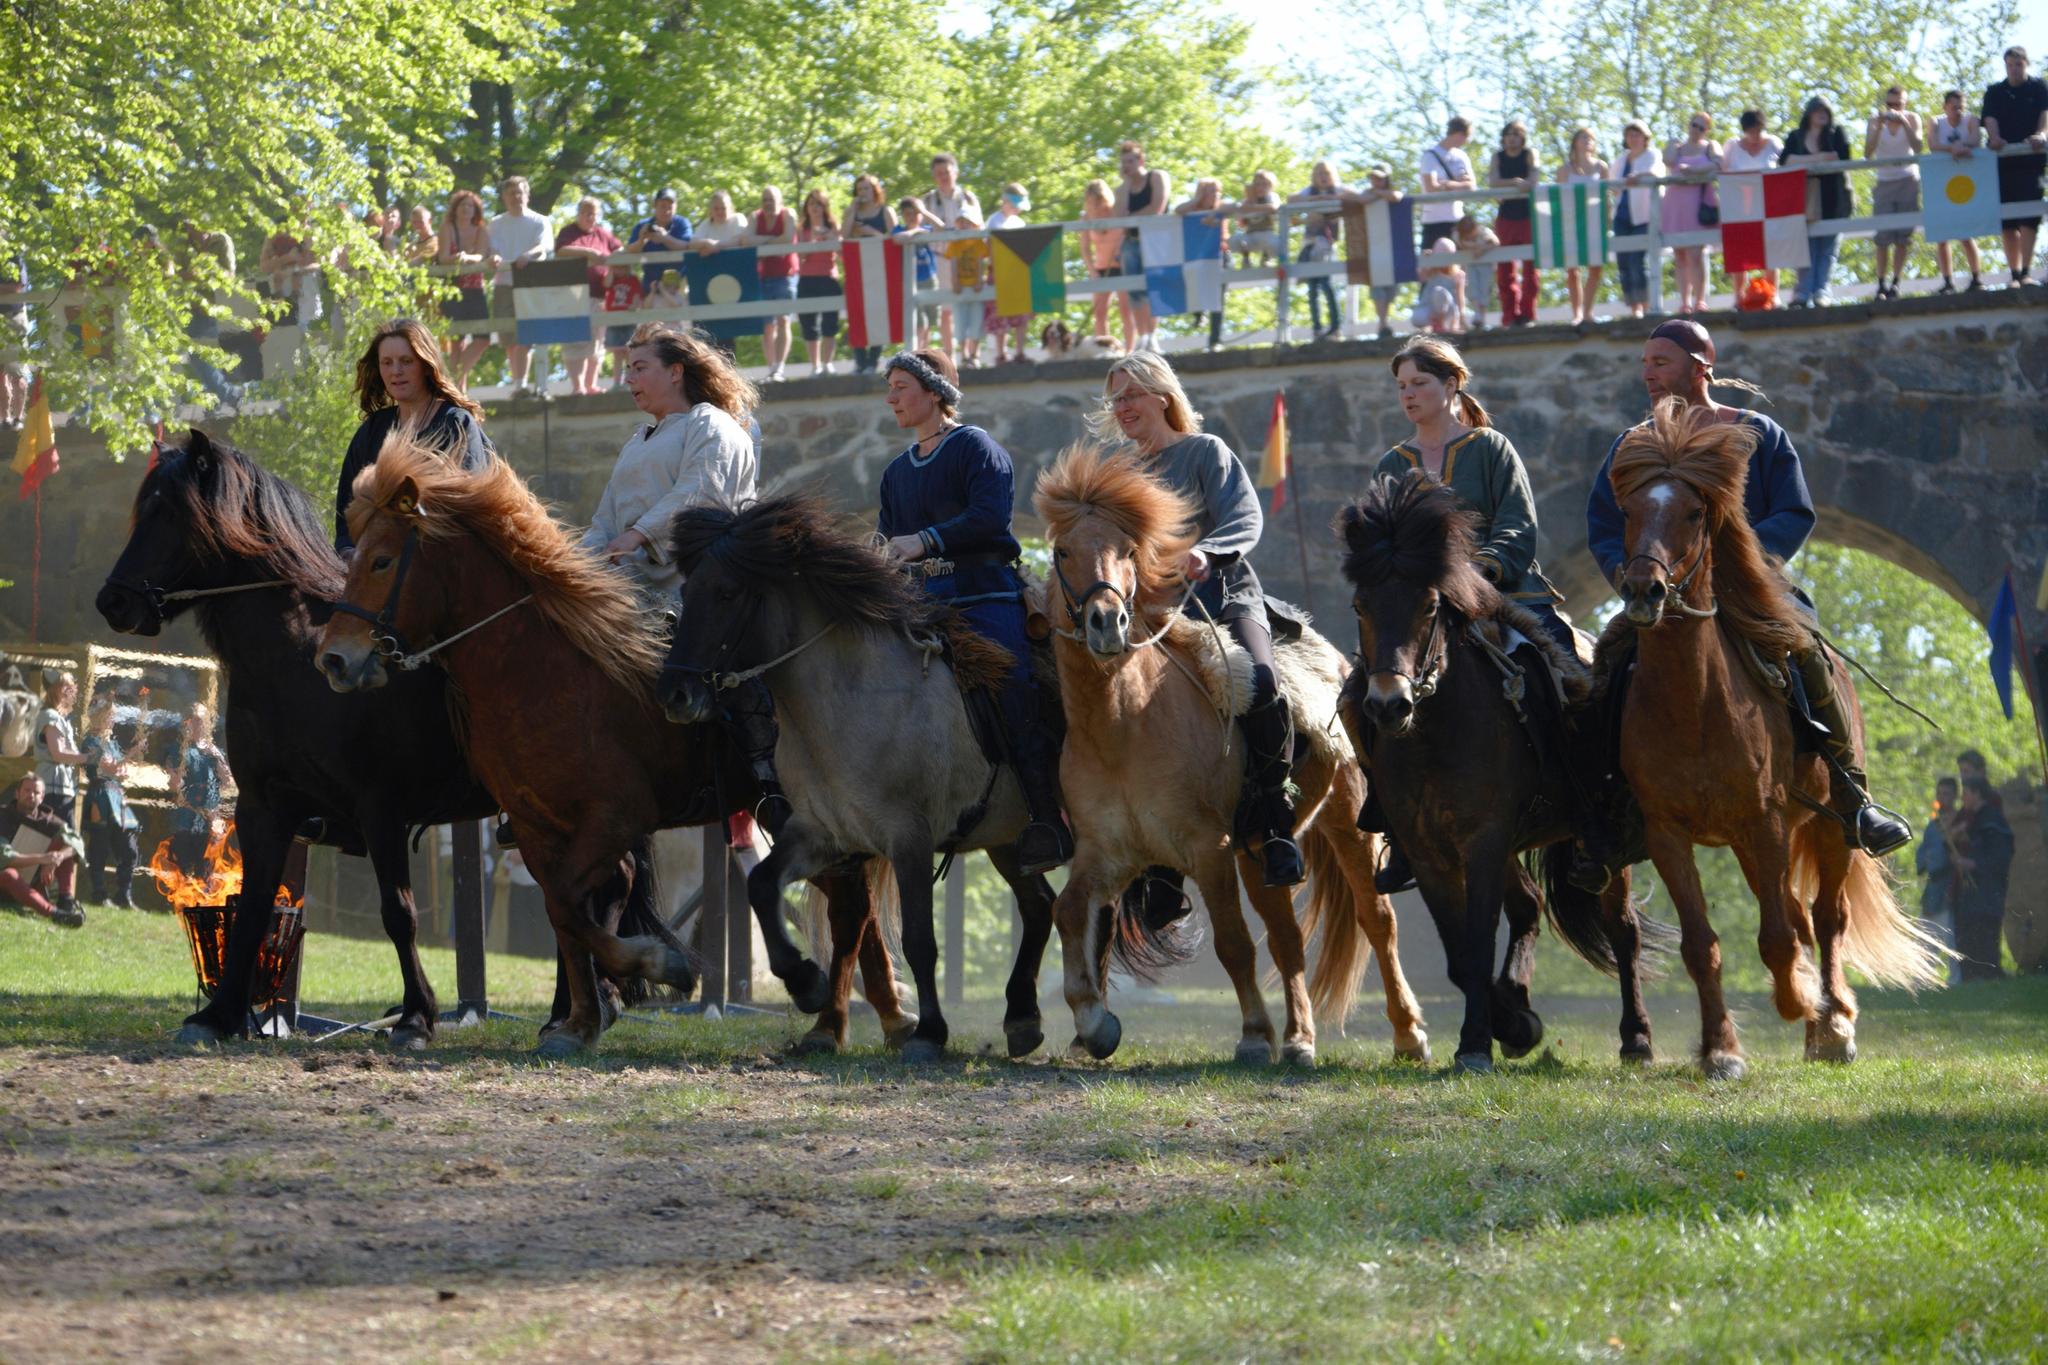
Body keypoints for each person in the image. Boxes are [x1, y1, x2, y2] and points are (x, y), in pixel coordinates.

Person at [1583, 318, 1913, 867]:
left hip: (1754, 588)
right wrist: (1626, 574)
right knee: (1609, 667)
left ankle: (1852, 795)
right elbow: (1602, 522)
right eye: (1644, 363)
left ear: (1699, 367)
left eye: (1660, 362)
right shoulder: (1633, 444)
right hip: (1665, 592)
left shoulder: (1756, 432)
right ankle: (1608, 809)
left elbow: (1794, 511)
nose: (1649, 374)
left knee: (1807, 651)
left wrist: (1746, 565)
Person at [1367, 335, 1573, 891]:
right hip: (1421, 607)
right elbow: (1379, 538)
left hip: (1502, 594)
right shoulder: (1394, 462)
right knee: (1363, 693)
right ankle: (1393, 824)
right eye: (1402, 386)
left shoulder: (1491, 448)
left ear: (1451, 385)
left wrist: (1479, 571)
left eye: (1420, 384)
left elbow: (1518, 527)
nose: (1408, 395)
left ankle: (1587, 808)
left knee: (1565, 673)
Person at [1094, 351, 1305, 888]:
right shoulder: (1118, 473)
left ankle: (1275, 818)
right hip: (1150, 616)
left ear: (1162, 397)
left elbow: (1244, 515)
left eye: (1132, 395)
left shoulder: (1204, 452)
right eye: (1115, 399)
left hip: (1223, 598)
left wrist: (1208, 552)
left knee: (1260, 682)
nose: (1122, 408)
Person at [876, 348, 1070, 873]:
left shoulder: (976, 447)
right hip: (919, 604)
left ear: (935, 392)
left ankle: (1046, 818)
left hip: (983, 596)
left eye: (900, 386)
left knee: (1013, 689)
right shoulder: (896, 472)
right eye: (889, 387)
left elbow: (989, 517)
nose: (891, 397)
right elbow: (885, 538)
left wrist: (927, 539)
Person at [582, 321, 757, 604]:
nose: (629, 379)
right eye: (628, 370)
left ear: (675, 371)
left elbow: (702, 492)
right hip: (632, 587)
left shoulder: (710, 422)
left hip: (702, 592)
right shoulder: (636, 442)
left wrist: (639, 534)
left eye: (640, 368)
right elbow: (605, 522)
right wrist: (571, 565)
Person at [333, 319, 494, 555]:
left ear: (426, 365)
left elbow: (470, 514)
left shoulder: (456, 424)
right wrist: (349, 553)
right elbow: (347, 513)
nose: (395, 371)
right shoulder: (373, 430)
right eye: (387, 363)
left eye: (406, 361)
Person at [1982, 45, 2048, 285]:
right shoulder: (1995, 91)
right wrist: (1995, 137)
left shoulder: (2039, 87)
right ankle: (2014, 274)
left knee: (2029, 219)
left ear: (2026, 64)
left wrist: (2041, 134)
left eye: (2018, 64)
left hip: (2032, 163)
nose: (2014, 69)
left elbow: (2045, 115)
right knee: (2007, 222)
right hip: (2002, 165)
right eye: (2010, 64)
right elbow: (1989, 118)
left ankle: (2027, 272)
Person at [1781, 98, 1853, 307]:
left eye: (1826, 110)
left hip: (1833, 198)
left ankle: (1821, 290)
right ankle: (1803, 292)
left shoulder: (1836, 133)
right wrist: (1820, 158)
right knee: (1806, 248)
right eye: (1818, 110)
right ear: (1809, 113)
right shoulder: (1796, 136)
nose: (1822, 114)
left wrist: (1806, 161)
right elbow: (1786, 160)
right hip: (1802, 199)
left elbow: (1842, 157)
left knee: (1827, 248)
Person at [487, 175, 552, 393]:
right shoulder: (496, 223)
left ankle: (522, 383)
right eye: (511, 193)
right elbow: (491, 250)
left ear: (527, 195)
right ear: (504, 197)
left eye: (519, 192)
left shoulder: (540, 220)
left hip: (531, 284)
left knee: (527, 335)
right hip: (504, 283)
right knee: (508, 337)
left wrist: (527, 255)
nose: (516, 197)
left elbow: (543, 246)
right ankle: (518, 383)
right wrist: (494, 258)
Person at [553, 196, 623, 396]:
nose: (589, 217)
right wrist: (589, 253)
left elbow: (619, 250)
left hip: (599, 294)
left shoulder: (604, 234)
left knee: (597, 341)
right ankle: (578, 386)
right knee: (575, 341)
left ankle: (591, 384)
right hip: (573, 293)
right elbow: (562, 250)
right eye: (585, 212)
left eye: (593, 213)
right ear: (578, 213)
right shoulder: (568, 232)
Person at [78, 693, 139, 908]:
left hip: (117, 794)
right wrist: (132, 753)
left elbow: (120, 771)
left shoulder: (110, 742)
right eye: (110, 716)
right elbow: (110, 767)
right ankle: (99, 893)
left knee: (129, 848)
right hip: (100, 794)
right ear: (101, 716)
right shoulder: (91, 741)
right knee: (100, 846)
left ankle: (124, 894)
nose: (113, 720)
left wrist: (123, 763)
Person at [1950, 774, 2013, 980]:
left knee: (1985, 933)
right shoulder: (1972, 820)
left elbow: (2000, 856)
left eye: (1966, 794)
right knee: (1969, 932)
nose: (1962, 799)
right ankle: (1972, 977)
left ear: (1977, 794)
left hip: (1988, 890)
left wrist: (1973, 864)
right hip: (1973, 891)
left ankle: (1988, 975)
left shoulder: (1991, 819)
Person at [0, 774, 84, 927]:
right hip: (4, 883)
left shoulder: (49, 821)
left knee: (64, 845)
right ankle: (54, 914)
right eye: (27, 790)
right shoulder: (2, 816)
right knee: (9, 874)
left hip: (32, 881)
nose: (31, 795)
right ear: (17, 793)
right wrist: (43, 858)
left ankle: (66, 902)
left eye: (36, 792)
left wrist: (56, 858)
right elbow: (5, 857)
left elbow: (76, 842)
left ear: (42, 797)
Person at [922, 154, 984, 360]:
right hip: (938, 257)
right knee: (944, 310)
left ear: (955, 173)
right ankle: (950, 355)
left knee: (968, 302)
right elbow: (920, 229)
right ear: (933, 176)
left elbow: (980, 228)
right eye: (938, 174)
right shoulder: (928, 200)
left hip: (967, 260)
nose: (943, 177)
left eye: (946, 172)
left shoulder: (968, 197)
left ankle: (970, 354)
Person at [1865, 87, 1924, 300]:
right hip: (1884, 182)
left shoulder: (1912, 118)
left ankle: (1896, 283)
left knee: (1903, 237)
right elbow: (1867, 152)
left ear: (1905, 104)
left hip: (1908, 180)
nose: (1894, 109)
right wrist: (1879, 126)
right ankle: (1880, 284)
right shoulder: (1875, 119)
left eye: (1898, 104)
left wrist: (1905, 123)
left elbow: (1918, 147)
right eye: (1890, 105)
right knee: (1882, 237)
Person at [1111, 141, 1171, 352]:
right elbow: (1118, 219)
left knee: (1155, 287)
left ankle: (1153, 335)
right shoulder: (1122, 189)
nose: (1127, 165)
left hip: (1155, 240)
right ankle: (1143, 335)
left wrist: (1131, 219)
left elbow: (1156, 208)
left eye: (1131, 161)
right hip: (1132, 242)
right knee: (1135, 291)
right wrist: (1126, 185)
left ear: (1141, 160)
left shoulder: (1157, 177)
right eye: (1123, 162)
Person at [1930, 90, 1988, 293]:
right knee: (1942, 234)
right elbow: (1933, 144)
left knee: (1966, 233)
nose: (1958, 111)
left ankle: (1977, 278)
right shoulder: (1936, 122)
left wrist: (1961, 145)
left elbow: (1975, 140)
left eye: (1961, 106)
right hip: (1942, 183)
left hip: (1967, 183)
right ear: (1945, 107)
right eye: (1954, 107)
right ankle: (1947, 281)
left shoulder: (1972, 120)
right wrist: (1953, 149)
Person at [1721, 111, 1782, 303]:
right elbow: (1723, 172)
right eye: (1751, 131)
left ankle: (1771, 295)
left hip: (1769, 205)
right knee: (1739, 250)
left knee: (1771, 249)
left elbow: (1784, 169)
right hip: (1740, 208)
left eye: (1758, 130)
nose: (1755, 136)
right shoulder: (1732, 146)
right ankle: (1739, 297)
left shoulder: (1774, 144)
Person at [436, 189, 494, 389]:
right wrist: (456, 258)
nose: (466, 209)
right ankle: (458, 392)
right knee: (456, 342)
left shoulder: (481, 230)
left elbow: (481, 255)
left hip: (475, 289)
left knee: (483, 338)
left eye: (470, 206)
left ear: (476, 209)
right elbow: (443, 257)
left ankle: (453, 376)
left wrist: (466, 258)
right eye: (463, 205)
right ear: (455, 208)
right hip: (452, 289)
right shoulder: (447, 227)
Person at [1661, 114, 1718, 315]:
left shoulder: (1710, 146)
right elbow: (1667, 160)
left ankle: (1700, 300)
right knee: (1680, 255)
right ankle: (1684, 301)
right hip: (1675, 205)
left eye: (1701, 127)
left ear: (1707, 131)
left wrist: (1693, 170)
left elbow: (1717, 164)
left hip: (1698, 204)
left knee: (1696, 253)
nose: (1696, 129)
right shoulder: (1677, 148)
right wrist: (1671, 144)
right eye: (1693, 125)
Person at [1342, 166, 1406, 339]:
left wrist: (1377, 194)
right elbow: (1356, 198)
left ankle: (1384, 321)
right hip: (1372, 248)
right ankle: (1383, 323)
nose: (1376, 182)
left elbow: (1397, 197)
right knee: (1377, 287)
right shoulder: (1366, 194)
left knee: (1390, 289)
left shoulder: (1389, 193)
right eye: (1373, 178)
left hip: (1392, 248)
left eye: (1380, 178)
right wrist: (1372, 195)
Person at [1611, 121, 1665, 319]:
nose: (1633, 139)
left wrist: (1638, 176)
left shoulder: (1652, 155)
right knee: (1623, 262)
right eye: (1630, 135)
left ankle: (1646, 304)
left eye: (1637, 134)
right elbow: (1613, 184)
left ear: (1645, 137)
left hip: (1643, 215)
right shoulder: (1621, 159)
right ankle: (1634, 308)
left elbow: (1657, 173)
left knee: (1637, 261)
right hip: (1622, 215)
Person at [1488, 122, 1540, 327]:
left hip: (1528, 216)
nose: (1512, 138)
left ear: (1523, 138)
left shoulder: (1529, 153)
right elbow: (1493, 181)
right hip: (1506, 217)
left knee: (1531, 269)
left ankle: (1528, 314)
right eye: (1508, 134)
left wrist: (1523, 183)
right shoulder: (1497, 156)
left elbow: (1534, 178)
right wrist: (1517, 183)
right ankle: (1509, 315)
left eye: (1517, 134)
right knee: (1505, 270)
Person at [1290, 159, 1349, 340]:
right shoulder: (1310, 191)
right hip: (1310, 243)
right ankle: (1317, 327)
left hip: (1326, 244)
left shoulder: (1337, 190)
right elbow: (1291, 199)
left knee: (1326, 284)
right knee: (1312, 287)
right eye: (1319, 174)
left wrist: (1332, 199)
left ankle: (1335, 326)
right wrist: (1314, 200)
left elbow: (1356, 196)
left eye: (1326, 174)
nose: (1323, 178)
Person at [1558, 128, 1612, 323]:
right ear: (1575, 142)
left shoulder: (1601, 167)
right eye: (1583, 137)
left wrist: (1607, 220)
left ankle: (1588, 312)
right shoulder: (1564, 170)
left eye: (1591, 138)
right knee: (1572, 269)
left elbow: (1607, 196)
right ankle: (1577, 313)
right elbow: (1560, 199)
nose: (1588, 141)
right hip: (1572, 223)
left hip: (1595, 221)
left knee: (1595, 267)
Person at [844, 175, 896, 373]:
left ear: (875, 190)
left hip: (880, 270)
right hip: (858, 269)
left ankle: (872, 361)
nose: (862, 193)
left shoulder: (885, 211)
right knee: (856, 312)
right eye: (859, 189)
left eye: (866, 189)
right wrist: (852, 209)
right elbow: (845, 234)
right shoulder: (853, 211)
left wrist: (872, 232)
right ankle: (859, 361)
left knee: (878, 313)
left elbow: (893, 239)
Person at [169, 702, 229, 874]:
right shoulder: (179, 750)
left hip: (209, 818)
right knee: (184, 867)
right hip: (186, 817)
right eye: (195, 720)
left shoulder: (214, 751)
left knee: (206, 869)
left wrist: (217, 758)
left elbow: (227, 781)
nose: (198, 724)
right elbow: (174, 782)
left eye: (202, 720)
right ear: (187, 722)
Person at [1175, 179, 1230, 351]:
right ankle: (1198, 313)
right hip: (1198, 257)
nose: (1214, 195)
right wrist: (1196, 201)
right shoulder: (1193, 210)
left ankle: (1215, 340)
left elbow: (1233, 208)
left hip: (1220, 255)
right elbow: (1178, 211)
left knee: (1218, 299)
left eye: (1217, 191)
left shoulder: (1221, 208)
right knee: (1190, 279)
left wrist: (1214, 214)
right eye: (1209, 191)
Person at [753, 187, 800, 382]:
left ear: (780, 201)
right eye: (765, 199)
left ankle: (779, 368)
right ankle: (771, 368)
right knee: (767, 326)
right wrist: (774, 242)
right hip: (764, 276)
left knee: (783, 321)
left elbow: (788, 238)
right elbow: (746, 239)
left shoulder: (788, 214)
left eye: (771, 199)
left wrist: (762, 242)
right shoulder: (756, 217)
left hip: (786, 274)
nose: (768, 203)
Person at [1079, 178, 1132, 350]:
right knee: (1099, 312)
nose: (1097, 207)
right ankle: (1104, 348)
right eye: (1092, 203)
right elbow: (1085, 248)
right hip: (1100, 269)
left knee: (1126, 311)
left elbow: (1127, 236)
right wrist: (1092, 270)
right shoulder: (1086, 218)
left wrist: (1120, 250)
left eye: (1100, 201)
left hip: (1121, 267)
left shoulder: (1116, 213)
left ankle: (1130, 350)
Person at [985, 184, 1035, 364]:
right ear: (1005, 201)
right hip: (999, 273)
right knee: (1001, 315)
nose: (1017, 208)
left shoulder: (1019, 223)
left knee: (1022, 314)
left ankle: (1020, 351)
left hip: (1017, 273)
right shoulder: (994, 221)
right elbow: (990, 247)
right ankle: (1001, 353)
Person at [795, 189, 842, 377]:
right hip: (806, 279)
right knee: (809, 324)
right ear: (807, 207)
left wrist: (830, 237)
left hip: (829, 278)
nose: (815, 208)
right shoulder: (801, 229)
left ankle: (828, 363)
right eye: (812, 203)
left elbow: (842, 252)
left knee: (830, 323)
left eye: (819, 204)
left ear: (825, 206)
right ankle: (815, 366)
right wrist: (813, 240)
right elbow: (800, 256)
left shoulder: (833, 225)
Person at [1914, 775, 1960, 970]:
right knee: (1926, 940)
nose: (1943, 797)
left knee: (1951, 941)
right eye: (1940, 793)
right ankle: (1923, 983)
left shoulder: (1959, 822)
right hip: (1933, 886)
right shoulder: (1933, 825)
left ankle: (1956, 982)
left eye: (1947, 794)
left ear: (1955, 796)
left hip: (1951, 885)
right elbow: (1923, 855)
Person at [35, 670, 86, 826]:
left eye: (71, 686)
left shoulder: (59, 717)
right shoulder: (50, 716)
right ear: (55, 689)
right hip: (53, 788)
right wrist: (87, 758)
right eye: (65, 686)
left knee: (64, 840)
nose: (71, 690)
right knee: (58, 838)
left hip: (63, 786)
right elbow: (58, 753)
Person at [1419, 116, 1476, 251]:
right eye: (1466, 137)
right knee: (1431, 265)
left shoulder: (1461, 156)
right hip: (1433, 221)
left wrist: (1447, 184)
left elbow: (1471, 186)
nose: (1467, 141)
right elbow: (1430, 187)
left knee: (1459, 266)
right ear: (1460, 134)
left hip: (1457, 220)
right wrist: (1459, 184)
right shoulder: (1430, 156)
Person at [942, 209, 990, 368]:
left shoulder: (978, 242)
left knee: (976, 321)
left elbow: (980, 262)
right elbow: (953, 262)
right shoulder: (955, 242)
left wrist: (979, 281)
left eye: (967, 222)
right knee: (960, 322)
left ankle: (974, 354)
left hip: (975, 286)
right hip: (960, 288)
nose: (963, 225)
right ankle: (964, 355)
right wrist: (954, 281)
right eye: (960, 221)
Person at [894, 198, 940, 350]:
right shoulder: (900, 229)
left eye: (915, 213)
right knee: (919, 321)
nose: (912, 217)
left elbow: (941, 228)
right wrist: (916, 231)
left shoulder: (928, 227)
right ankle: (918, 352)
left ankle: (924, 350)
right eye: (907, 214)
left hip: (930, 278)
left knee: (931, 319)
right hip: (911, 281)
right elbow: (899, 238)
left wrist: (924, 211)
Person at [627, 187, 694, 289]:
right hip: (651, 285)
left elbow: (687, 246)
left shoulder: (682, 223)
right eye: (662, 206)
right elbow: (630, 250)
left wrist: (665, 238)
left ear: (675, 207)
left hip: (678, 285)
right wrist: (642, 240)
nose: (666, 211)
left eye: (670, 207)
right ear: (655, 205)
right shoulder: (643, 225)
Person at [1454, 213, 1499, 331]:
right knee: (1472, 288)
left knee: (1484, 289)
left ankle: (1482, 318)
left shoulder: (1484, 232)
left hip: (1485, 265)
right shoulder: (1458, 235)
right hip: (1470, 265)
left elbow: (1495, 242)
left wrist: (1481, 250)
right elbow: (1459, 244)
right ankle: (1477, 313)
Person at [602, 262, 644, 384]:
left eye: (622, 266)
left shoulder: (633, 279)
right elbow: (606, 284)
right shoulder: (612, 279)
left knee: (629, 352)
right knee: (617, 352)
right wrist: (610, 267)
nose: (619, 269)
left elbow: (637, 295)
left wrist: (634, 305)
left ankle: (631, 381)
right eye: (617, 266)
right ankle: (616, 382)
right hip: (614, 319)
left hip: (628, 319)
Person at [1411, 238, 1465, 334]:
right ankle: (1434, 324)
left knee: (1439, 292)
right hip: (1430, 310)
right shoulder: (1431, 271)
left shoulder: (1458, 274)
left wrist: (1461, 319)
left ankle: (1440, 323)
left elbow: (1460, 299)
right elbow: (1421, 278)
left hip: (1448, 312)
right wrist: (1426, 260)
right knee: (1417, 317)